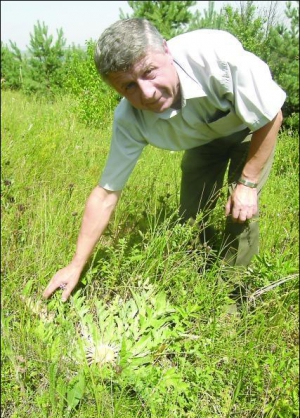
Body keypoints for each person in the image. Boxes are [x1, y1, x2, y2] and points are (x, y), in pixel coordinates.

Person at [43, 18, 285, 303]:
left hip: (251, 127)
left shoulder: (216, 57)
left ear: (167, 52)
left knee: (240, 211)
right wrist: (76, 265)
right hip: (205, 141)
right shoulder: (129, 120)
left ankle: (234, 298)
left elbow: (271, 116)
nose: (147, 93)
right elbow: (106, 193)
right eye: (129, 86)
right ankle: (197, 282)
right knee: (190, 214)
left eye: (149, 72)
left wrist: (247, 183)